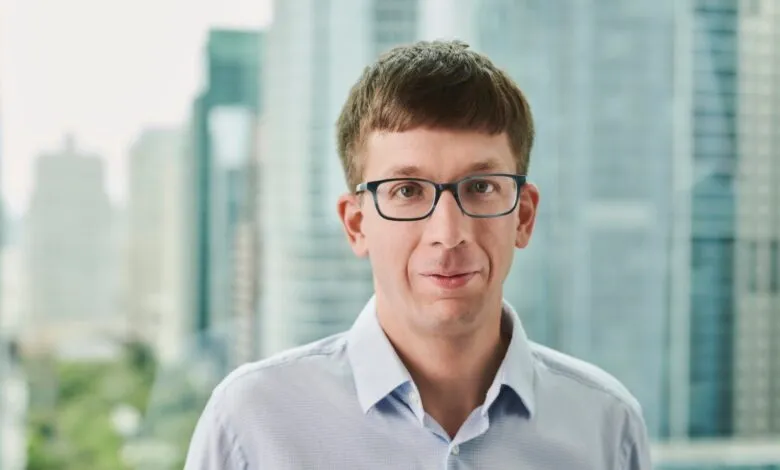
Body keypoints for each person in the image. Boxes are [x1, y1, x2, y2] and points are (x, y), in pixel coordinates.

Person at [184, 39, 652, 469]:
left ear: (524, 216)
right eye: (407, 190)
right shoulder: (251, 424)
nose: (448, 234)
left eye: (481, 187)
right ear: (356, 223)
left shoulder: (606, 426)